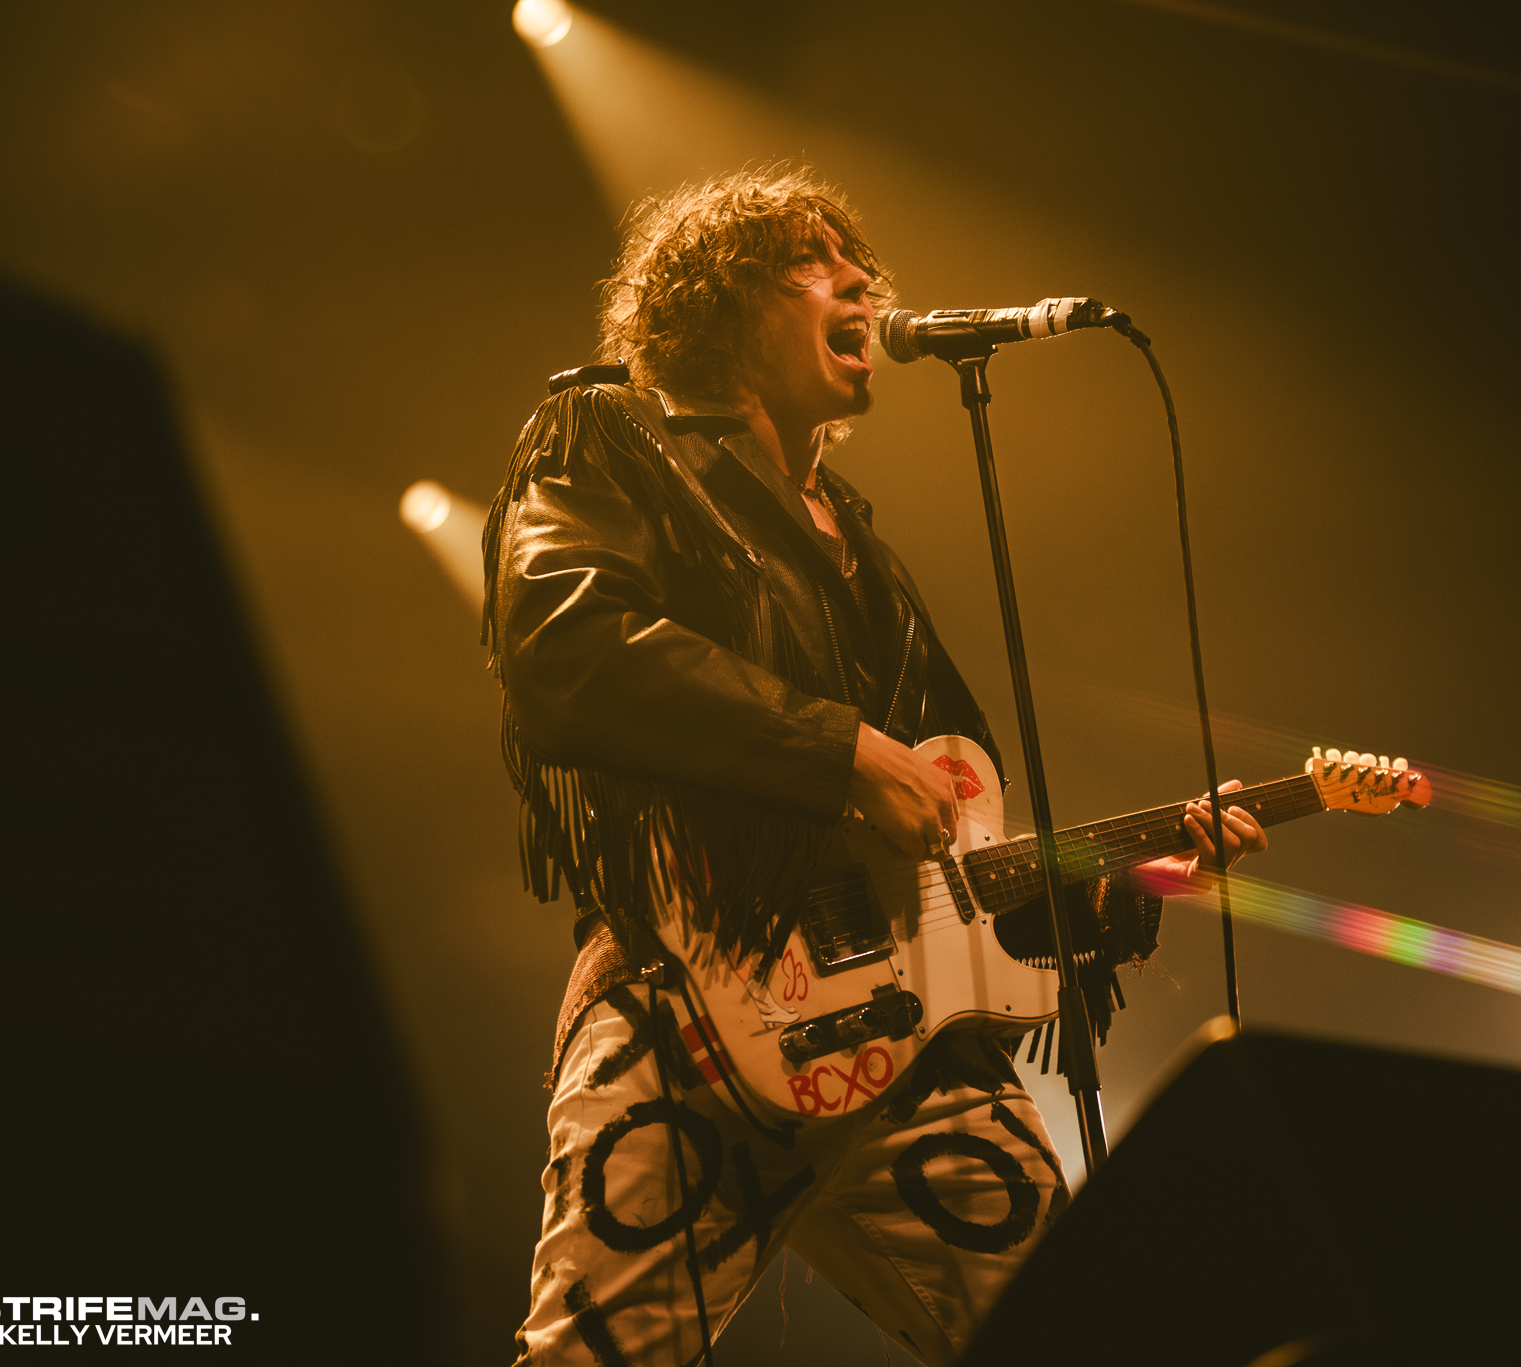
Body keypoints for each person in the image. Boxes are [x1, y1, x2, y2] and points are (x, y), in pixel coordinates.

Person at [484, 165, 1264, 1367]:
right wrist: (834, 745)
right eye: (813, 262)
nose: (859, 282)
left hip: (903, 1050)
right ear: (718, 305)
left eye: (861, 265)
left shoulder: (866, 556)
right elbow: (564, 646)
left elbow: (951, 866)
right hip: (690, 1017)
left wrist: (1130, 880)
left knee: (1086, 1334)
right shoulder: (614, 452)